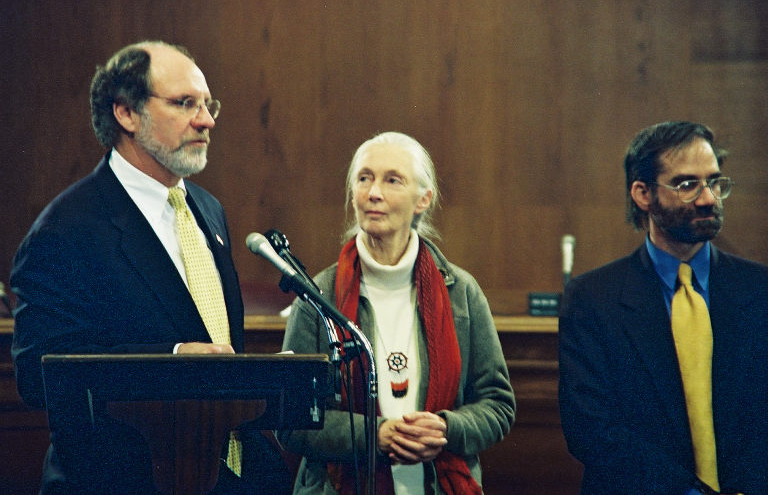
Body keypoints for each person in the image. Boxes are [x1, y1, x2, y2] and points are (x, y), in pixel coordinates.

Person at [10, 41, 279, 494]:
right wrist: (172, 360)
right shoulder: (65, 230)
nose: (207, 120)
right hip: (124, 479)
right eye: (184, 103)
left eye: (208, 104)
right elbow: (39, 373)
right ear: (126, 114)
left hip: (223, 474)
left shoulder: (207, 210)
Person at [278, 132, 515, 494]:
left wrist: (447, 429)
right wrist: (375, 436)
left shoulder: (461, 292)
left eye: (392, 180)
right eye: (364, 178)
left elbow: (497, 404)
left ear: (423, 199)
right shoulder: (317, 296)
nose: (374, 192)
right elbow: (290, 420)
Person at [558, 121, 768, 494]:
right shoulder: (592, 299)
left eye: (714, 182)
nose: (708, 198)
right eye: (687, 185)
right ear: (642, 193)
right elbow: (591, 428)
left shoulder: (759, 290)